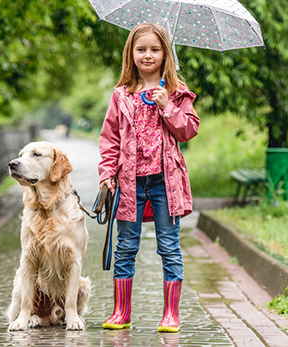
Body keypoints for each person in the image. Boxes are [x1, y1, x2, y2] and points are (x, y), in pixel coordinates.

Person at [98, 22, 200, 333]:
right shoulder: (121, 95)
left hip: (164, 182)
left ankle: (171, 314)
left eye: (155, 49)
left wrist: (167, 106)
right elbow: (109, 138)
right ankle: (121, 311)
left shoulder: (177, 94)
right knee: (126, 246)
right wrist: (106, 174)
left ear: (165, 54)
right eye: (141, 49)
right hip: (129, 183)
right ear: (131, 54)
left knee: (169, 245)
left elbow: (189, 130)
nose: (147, 55)